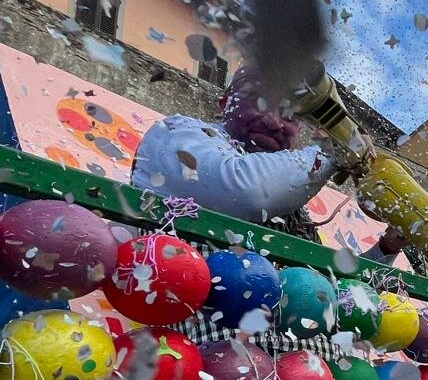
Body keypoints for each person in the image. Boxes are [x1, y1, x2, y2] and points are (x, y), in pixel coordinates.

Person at [132, 66, 397, 254]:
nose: (273, 121)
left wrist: (386, 247)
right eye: (259, 102)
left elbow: (328, 289)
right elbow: (245, 191)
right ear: (225, 103)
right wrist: (337, 150)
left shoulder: (292, 206)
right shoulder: (175, 132)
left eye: (289, 115)